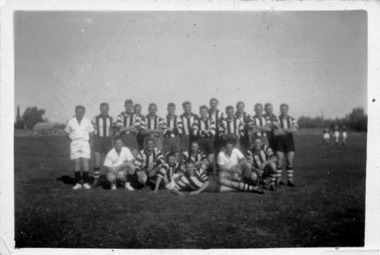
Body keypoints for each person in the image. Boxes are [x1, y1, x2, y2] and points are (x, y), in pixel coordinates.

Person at [170, 159, 263, 195]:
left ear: (193, 166)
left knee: (232, 183)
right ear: (185, 168)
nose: (190, 169)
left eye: (191, 167)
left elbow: (206, 182)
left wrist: (197, 191)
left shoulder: (198, 170)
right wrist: (178, 193)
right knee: (232, 188)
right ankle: (249, 188)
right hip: (211, 188)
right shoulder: (184, 178)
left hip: (212, 179)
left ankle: (254, 188)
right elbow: (174, 189)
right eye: (188, 168)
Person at [64, 105, 94, 190]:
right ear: (75, 112)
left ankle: (85, 182)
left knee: (85, 163)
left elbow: (92, 133)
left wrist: (87, 140)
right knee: (77, 163)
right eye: (78, 112)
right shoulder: (71, 121)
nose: (79, 114)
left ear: (84, 113)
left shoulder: (87, 121)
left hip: (85, 143)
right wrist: (71, 139)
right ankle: (77, 183)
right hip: (75, 143)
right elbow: (66, 132)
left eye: (81, 112)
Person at [272, 104, 298, 187]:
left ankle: (290, 180)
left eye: (285, 109)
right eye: (282, 109)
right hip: (279, 142)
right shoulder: (276, 119)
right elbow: (275, 132)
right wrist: (288, 130)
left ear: (287, 110)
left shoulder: (292, 119)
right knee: (279, 161)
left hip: (289, 142)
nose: (283, 111)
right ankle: (278, 180)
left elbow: (294, 130)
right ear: (280, 110)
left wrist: (282, 129)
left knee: (289, 161)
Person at [91, 102, 115, 187]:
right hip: (98, 140)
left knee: (108, 161)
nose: (104, 110)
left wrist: (112, 135)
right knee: (97, 161)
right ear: (100, 109)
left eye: (106, 109)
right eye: (102, 109)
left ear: (108, 109)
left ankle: (109, 179)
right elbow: (92, 129)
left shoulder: (112, 118)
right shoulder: (95, 118)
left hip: (108, 141)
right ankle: (96, 179)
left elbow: (114, 129)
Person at [192, 105, 216, 174]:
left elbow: (213, 132)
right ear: (199, 112)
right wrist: (206, 131)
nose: (203, 113)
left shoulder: (211, 120)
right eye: (201, 112)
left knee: (210, 160)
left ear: (207, 112)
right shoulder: (196, 121)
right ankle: (203, 175)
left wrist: (201, 132)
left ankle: (211, 175)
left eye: (204, 112)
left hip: (209, 141)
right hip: (200, 141)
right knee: (202, 158)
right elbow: (195, 133)